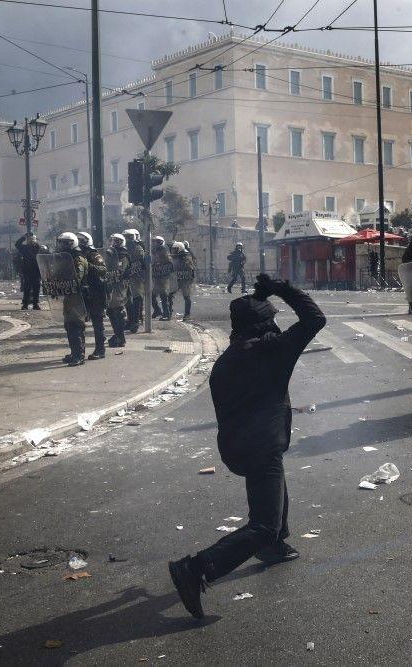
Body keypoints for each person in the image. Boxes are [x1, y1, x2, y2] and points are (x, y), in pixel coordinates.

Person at [168, 274, 326, 619]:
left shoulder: (228, 360)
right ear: (265, 324)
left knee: (275, 484)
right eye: (271, 320)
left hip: (237, 446)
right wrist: (281, 287)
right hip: (261, 447)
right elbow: (315, 318)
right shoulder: (273, 351)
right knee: (263, 522)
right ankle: (196, 568)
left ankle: (274, 545)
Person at [54, 232, 89, 366]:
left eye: (65, 242)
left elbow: (77, 278)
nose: (62, 245)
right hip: (69, 295)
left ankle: (79, 355)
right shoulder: (66, 257)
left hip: (77, 296)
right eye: (61, 242)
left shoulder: (78, 258)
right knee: (69, 325)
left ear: (72, 243)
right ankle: (75, 352)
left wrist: (64, 282)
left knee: (76, 325)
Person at [77, 232, 108, 360]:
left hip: (96, 292)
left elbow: (103, 269)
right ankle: (79, 351)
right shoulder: (78, 255)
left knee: (97, 323)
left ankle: (100, 350)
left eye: (82, 241)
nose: (80, 243)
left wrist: (88, 266)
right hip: (84, 293)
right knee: (79, 323)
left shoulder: (94, 255)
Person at [106, 233, 131, 348]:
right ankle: (117, 335)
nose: (114, 243)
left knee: (117, 310)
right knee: (111, 310)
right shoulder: (111, 253)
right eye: (113, 241)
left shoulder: (123, 255)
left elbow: (120, 270)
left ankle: (120, 337)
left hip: (120, 284)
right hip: (112, 283)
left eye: (117, 241)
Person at [122, 228, 145, 333]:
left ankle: (135, 323)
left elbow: (141, 263)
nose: (127, 239)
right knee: (128, 301)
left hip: (137, 277)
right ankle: (130, 321)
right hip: (128, 278)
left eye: (129, 237)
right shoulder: (124, 248)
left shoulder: (138, 248)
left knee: (136, 300)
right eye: (126, 237)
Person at [15, 232, 42, 310]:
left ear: (35, 240)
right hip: (27, 271)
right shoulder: (24, 248)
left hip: (37, 271)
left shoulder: (38, 248)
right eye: (30, 240)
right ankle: (25, 304)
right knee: (27, 288)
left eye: (33, 239)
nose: (31, 241)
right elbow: (17, 244)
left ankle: (35, 304)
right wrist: (24, 237)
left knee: (36, 288)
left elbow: (43, 257)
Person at [172, 241, 197, 321]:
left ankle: (187, 315)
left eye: (175, 249)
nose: (173, 251)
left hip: (185, 280)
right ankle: (168, 313)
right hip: (178, 279)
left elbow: (191, 266)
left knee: (186, 297)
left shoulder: (186, 256)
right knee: (169, 294)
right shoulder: (176, 256)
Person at [151, 236, 173, 320]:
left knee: (163, 296)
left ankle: (166, 314)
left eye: (157, 242)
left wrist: (160, 265)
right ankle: (158, 311)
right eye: (155, 242)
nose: (155, 243)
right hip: (157, 277)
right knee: (153, 296)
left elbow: (170, 263)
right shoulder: (154, 251)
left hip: (163, 277)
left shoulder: (164, 251)